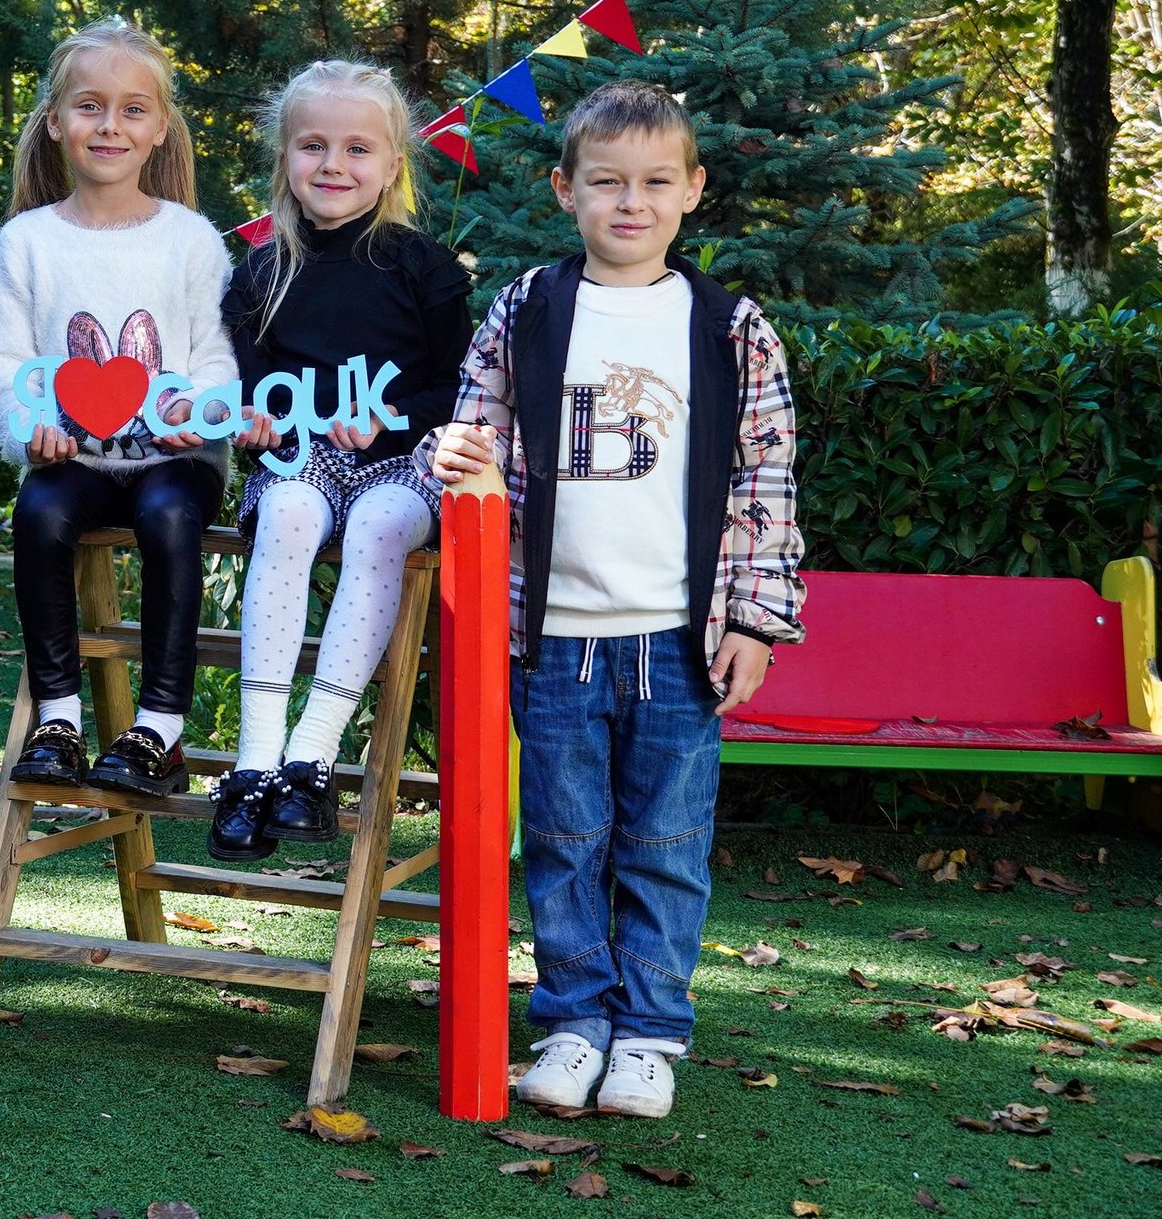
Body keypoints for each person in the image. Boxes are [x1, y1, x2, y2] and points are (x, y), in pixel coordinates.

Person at [426, 80, 802, 1120]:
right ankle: (573, 1022)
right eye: (604, 183)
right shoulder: (531, 308)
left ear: (692, 190)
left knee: (667, 846)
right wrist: (449, 455)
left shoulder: (728, 325)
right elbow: (470, 441)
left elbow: (766, 479)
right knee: (561, 839)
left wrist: (759, 621)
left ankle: (648, 1034)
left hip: (681, 640)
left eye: (652, 182)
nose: (628, 202)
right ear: (564, 191)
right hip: (549, 638)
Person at [209, 62, 471, 860]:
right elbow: (247, 385)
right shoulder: (259, 272)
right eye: (313, 145)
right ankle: (253, 765)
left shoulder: (425, 267)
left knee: (384, 523)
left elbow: (460, 388)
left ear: (393, 164)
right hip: (302, 457)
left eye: (358, 149)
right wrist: (250, 420)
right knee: (288, 510)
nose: (333, 165)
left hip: (402, 460)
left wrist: (390, 420)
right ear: (284, 157)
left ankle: (312, 757)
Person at [0, 16, 239, 798]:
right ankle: (57, 721)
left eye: (133, 109)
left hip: (177, 458)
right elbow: (7, 359)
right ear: (56, 121)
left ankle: (160, 728)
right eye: (90, 106)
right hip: (76, 459)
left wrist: (202, 410)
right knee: (41, 514)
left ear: (160, 128)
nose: (110, 125)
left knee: (166, 515)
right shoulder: (27, 241)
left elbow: (220, 353)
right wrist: (32, 432)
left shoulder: (191, 240)